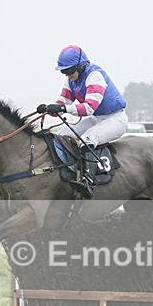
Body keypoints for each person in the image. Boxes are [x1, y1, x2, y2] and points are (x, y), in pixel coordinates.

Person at [37, 45, 128, 198]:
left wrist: (63, 108)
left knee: (87, 139)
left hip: (115, 119)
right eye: (63, 71)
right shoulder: (70, 81)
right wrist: (49, 108)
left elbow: (89, 108)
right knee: (62, 135)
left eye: (69, 70)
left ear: (81, 66)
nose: (67, 74)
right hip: (97, 119)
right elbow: (62, 102)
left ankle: (88, 181)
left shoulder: (95, 75)